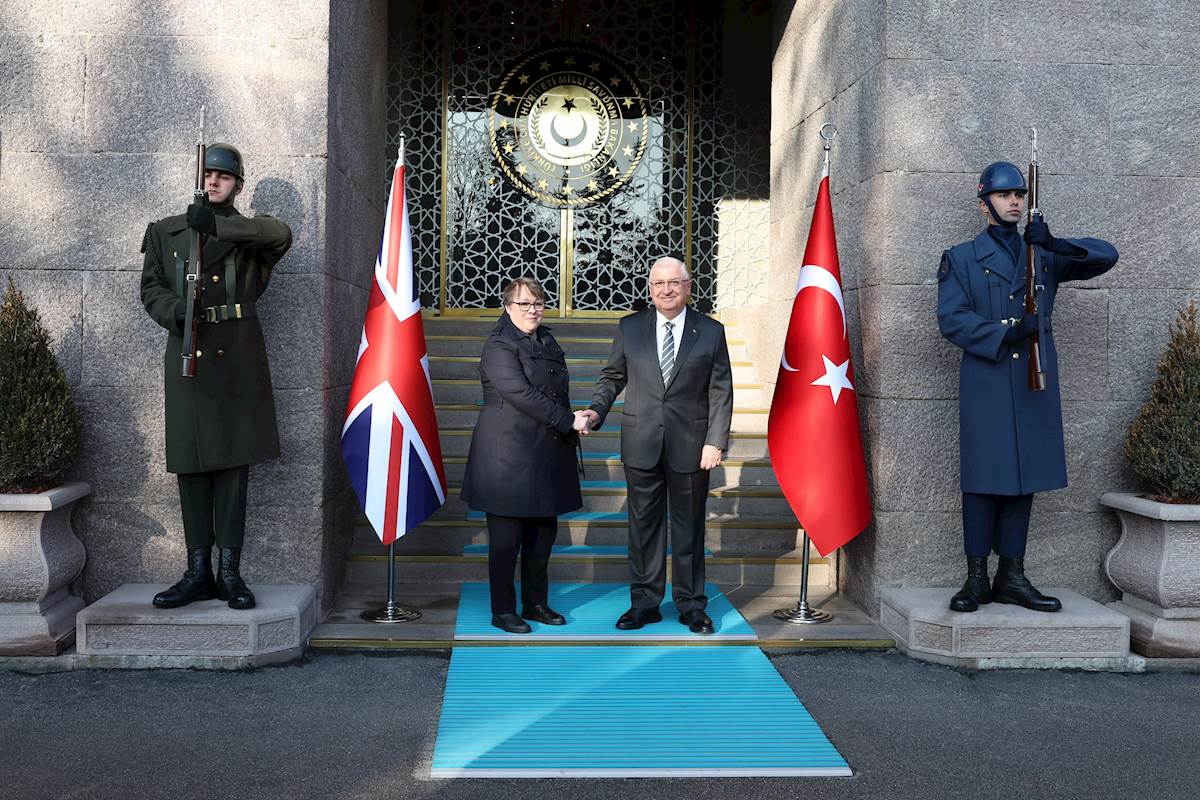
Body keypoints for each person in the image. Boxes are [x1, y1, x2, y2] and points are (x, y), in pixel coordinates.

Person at [937, 161, 1117, 613]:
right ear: (984, 204)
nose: (1014, 201)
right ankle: (977, 576)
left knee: (1024, 478)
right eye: (1003, 195)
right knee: (983, 478)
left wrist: (1055, 243)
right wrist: (1007, 332)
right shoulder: (960, 257)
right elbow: (952, 319)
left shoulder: (1042, 253)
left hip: (1033, 379)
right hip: (988, 376)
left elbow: (1107, 255)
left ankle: (1011, 576)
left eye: (1019, 194)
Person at [140, 143, 293, 610]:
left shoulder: (251, 234)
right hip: (189, 354)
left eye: (223, 177)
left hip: (237, 359)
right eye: (207, 175)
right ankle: (196, 572)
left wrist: (218, 225)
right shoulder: (166, 231)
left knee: (232, 467)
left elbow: (279, 234)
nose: (213, 182)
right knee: (191, 464)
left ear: (238, 185)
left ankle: (230, 573)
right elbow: (150, 288)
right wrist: (176, 312)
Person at [577, 256, 733, 634]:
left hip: (692, 447)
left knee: (689, 529)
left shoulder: (710, 331)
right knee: (643, 528)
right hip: (641, 443)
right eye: (659, 283)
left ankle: (692, 605)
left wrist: (715, 441)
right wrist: (596, 411)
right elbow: (613, 376)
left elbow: (721, 389)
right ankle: (644, 604)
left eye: (674, 283)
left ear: (688, 286)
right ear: (649, 289)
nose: (666, 290)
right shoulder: (630, 328)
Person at [460, 277, 584, 634]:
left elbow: (557, 392)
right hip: (507, 455)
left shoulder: (547, 339)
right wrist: (568, 421)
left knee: (543, 534)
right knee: (505, 540)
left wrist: (575, 419)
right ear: (507, 307)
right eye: (524, 304)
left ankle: (536, 603)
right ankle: (502, 610)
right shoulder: (498, 345)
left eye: (538, 303)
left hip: (547, 451)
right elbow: (521, 394)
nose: (532, 310)